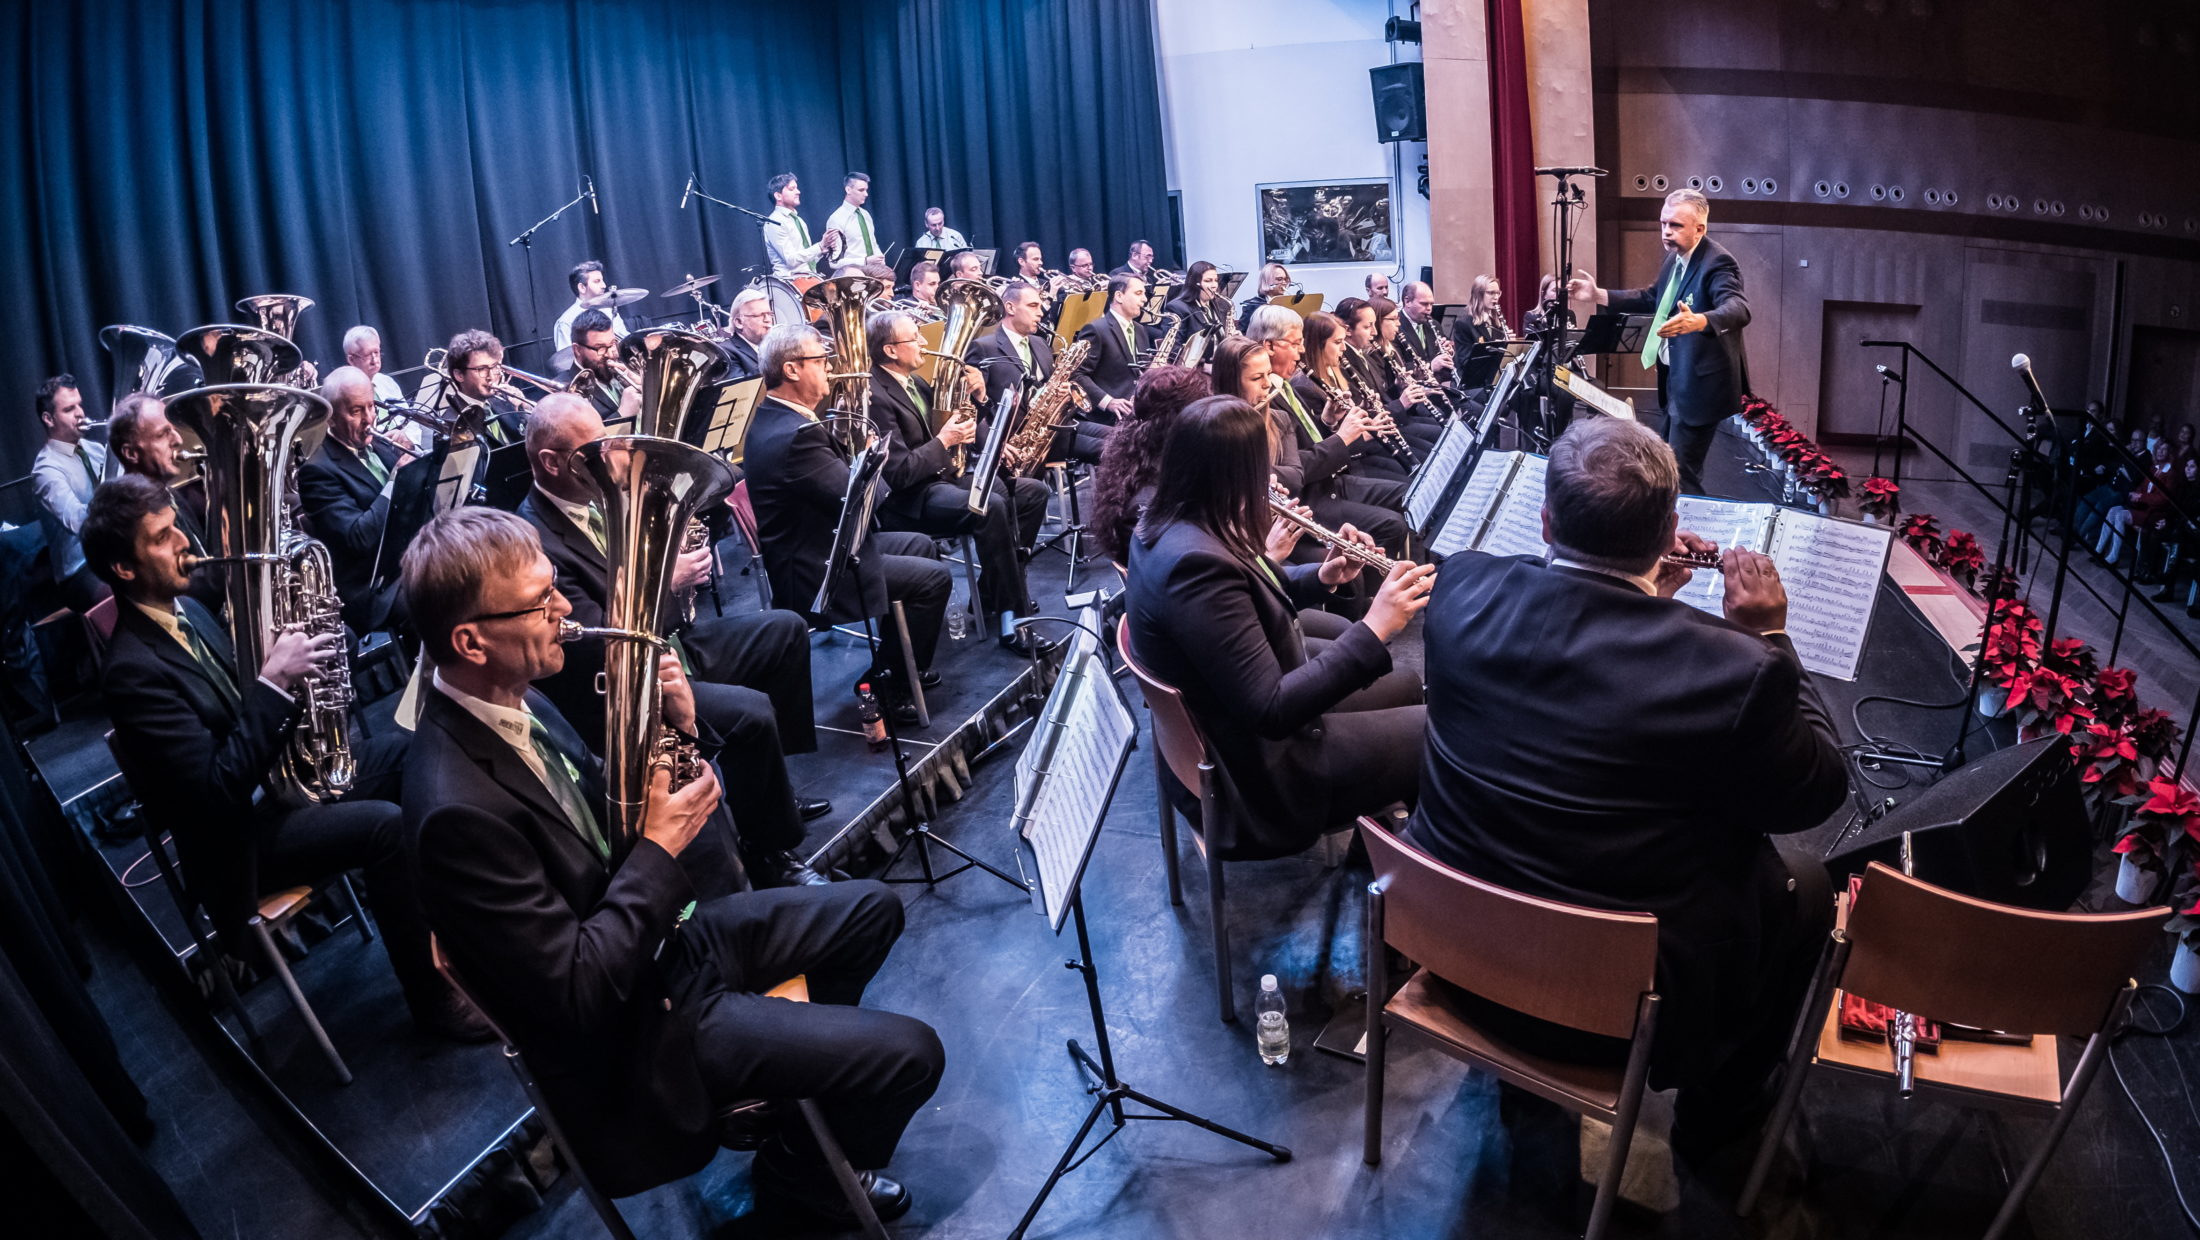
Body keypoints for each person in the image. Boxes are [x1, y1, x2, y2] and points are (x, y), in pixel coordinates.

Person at [398, 506, 941, 1221]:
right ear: (471, 641)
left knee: (873, 910)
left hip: (667, 952)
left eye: (556, 587)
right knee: (913, 1053)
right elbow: (575, 993)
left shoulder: (515, 699)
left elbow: (602, 825)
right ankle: (802, 1180)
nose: (565, 610)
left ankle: (801, 1113)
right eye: (540, 602)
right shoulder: (452, 812)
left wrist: (680, 727)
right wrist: (658, 848)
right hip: (640, 1036)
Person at [1405, 416, 1843, 1152]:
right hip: (1614, 1013)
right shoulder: (1737, 670)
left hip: (1456, 952)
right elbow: (1815, 790)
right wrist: (1770, 637)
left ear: (1545, 521)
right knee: (1805, 884)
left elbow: (1571, 680)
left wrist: (1647, 606)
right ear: (1672, 527)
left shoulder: (1461, 587)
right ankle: (1718, 1119)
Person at [85, 474, 471, 1039]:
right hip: (239, 846)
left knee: (414, 755)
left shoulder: (188, 615)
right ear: (124, 567)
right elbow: (216, 796)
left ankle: (460, 936)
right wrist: (272, 683)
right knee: (385, 829)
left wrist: (297, 660)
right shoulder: (131, 673)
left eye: (176, 528)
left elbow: (241, 716)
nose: (184, 543)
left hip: (278, 792)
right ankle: (435, 1007)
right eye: (163, 537)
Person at [515, 393, 829, 886]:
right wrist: (668, 579)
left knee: (785, 630)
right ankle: (771, 854)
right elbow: (600, 637)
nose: (607, 456)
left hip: (669, 647)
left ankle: (769, 793)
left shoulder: (596, 496)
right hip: (623, 683)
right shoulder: (535, 538)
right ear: (551, 462)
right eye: (590, 449)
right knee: (752, 713)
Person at [1125, 395, 1432, 854]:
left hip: (1240, 733)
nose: (1268, 480)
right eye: (1261, 470)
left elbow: (1246, 593)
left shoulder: (1172, 523)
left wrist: (1323, 576)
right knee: (1438, 732)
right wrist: (1375, 626)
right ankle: (1405, 881)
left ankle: (1379, 851)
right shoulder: (1194, 565)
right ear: (1233, 475)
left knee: (1406, 682)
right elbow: (1272, 709)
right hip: (1261, 780)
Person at [742, 324, 951, 720]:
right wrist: (873, 462)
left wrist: (854, 451)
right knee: (933, 579)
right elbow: (862, 500)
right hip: (816, 568)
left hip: (827, 541)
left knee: (921, 546)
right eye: (820, 361)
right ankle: (886, 686)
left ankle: (901, 663)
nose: (830, 370)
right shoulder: (795, 433)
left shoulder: (781, 418)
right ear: (791, 370)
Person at [866, 310, 1049, 644]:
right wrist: (943, 442)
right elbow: (899, 473)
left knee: (1031, 493)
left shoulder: (915, 382)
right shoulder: (875, 396)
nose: (924, 342)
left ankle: (994, 593)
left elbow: (956, 425)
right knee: (989, 505)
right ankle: (1014, 617)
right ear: (890, 350)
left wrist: (977, 399)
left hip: (941, 481)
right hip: (909, 500)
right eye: (915, 337)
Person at [1570, 188, 1752, 493]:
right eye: (1664, 224)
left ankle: (1688, 533)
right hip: (1675, 382)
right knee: (1667, 467)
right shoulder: (1675, 259)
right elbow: (1652, 298)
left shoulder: (1719, 263)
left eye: (1676, 225)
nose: (1667, 232)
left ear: (1700, 229)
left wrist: (1701, 320)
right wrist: (1598, 295)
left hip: (1700, 387)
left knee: (1681, 475)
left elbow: (1739, 308)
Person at [1240, 307, 1409, 549]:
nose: (1302, 351)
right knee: (1391, 525)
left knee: (1408, 494)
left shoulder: (1285, 386)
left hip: (1330, 482)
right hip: (1309, 498)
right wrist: (1342, 438)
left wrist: (1328, 421)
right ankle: (1383, 585)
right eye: (1296, 343)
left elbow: (1308, 442)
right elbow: (1294, 469)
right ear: (1269, 346)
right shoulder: (1264, 398)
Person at [299, 367, 415, 632]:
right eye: (356, 411)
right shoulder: (317, 471)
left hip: (407, 563)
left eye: (371, 407)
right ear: (330, 417)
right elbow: (359, 537)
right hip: (373, 590)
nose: (369, 419)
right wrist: (398, 480)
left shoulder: (381, 445)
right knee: (449, 591)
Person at [107, 392, 225, 616]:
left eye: (174, 429)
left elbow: (205, 559)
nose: (178, 440)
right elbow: (196, 592)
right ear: (131, 453)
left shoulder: (168, 494)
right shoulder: (138, 517)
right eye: (163, 434)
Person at [968, 281, 1107, 465]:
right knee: (1110, 449)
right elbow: (972, 407)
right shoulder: (983, 347)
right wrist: (993, 444)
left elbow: (1050, 386)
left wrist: (1063, 393)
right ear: (1010, 307)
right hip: (1019, 441)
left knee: (1118, 436)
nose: (1041, 313)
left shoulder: (1039, 343)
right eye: (1033, 306)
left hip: (1054, 428)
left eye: (1041, 307)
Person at [1091, 366, 1211, 563]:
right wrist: (1270, 554)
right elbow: (1187, 572)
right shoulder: (1146, 506)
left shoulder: (1144, 459)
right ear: (1180, 424)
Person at [1295, 311, 1412, 483]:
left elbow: (1347, 420)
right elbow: (1321, 442)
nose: (1344, 348)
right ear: (1317, 345)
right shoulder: (1305, 386)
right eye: (1338, 342)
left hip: (1362, 451)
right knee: (1404, 484)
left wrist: (1366, 408)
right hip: (1346, 466)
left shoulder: (1334, 370)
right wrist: (1363, 435)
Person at [31, 374, 110, 609]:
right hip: (79, 572)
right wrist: (116, 497)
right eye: (69, 409)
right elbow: (78, 521)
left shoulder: (95, 450)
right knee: (119, 588)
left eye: (79, 405)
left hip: (111, 552)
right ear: (49, 418)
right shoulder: (46, 470)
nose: (80, 414)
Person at [763, 173, 844, 327]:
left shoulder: (798, 220)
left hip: (807, 278)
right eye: (792, 188)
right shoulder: (775, 222)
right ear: (778, 195)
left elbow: (808, 260)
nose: (798, 191)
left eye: (797, 188)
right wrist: (819, 246)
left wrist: (824, 249)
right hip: (790, 283)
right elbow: (791, 260)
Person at [1071, 275, 1152, 422]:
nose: (1145, 299)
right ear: (1119, 296)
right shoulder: (1096, 329)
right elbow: (1077, 375)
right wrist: (1108, 402)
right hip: (1109, 418)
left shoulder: (1140, 329)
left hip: (1138, 412)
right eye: (1138, 293)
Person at [438, 329, 527, 447]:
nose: (491, 376)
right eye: (481, 369)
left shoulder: (502, 401)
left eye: (495, 367)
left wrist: (522, 411)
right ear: (459, 375)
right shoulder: (450, 424)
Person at [564, 309, 642, 424]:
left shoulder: (621, 371)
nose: (610, 354)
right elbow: (586, 441)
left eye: (612, 344)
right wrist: (622, 415)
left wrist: (643, 385)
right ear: (578, 350)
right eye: (600, 348)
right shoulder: (565, 393)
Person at [553, 260, 632, 355]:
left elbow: (626, 340)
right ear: (582, 287)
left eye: (602, 280)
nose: (604, 285)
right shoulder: (566, 321)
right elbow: (565, 360)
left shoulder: (609, 311)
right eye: (597, 281)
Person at [825, 172, 884, 271]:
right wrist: (864, 261)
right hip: (853, 276)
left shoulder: (865, 215)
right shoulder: (836, 219)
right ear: (848, 190)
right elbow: (834, 262)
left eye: (866, 190)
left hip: (874, 272)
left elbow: (873, 243)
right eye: (861, 190)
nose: (866, 194)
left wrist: (880, 257)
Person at [721, 288, 774, 384]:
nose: (768, 320)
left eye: (769, 314)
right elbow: (741, 390)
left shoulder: (771, 346)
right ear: (739, 322)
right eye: (760, 315)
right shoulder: (726, 352)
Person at [1449, 273, 1511, 356]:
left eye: (1498, 293)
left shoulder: (1497, 322)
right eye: (1491, 293)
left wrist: (1509, 345)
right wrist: (1495, 347)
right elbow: (1465, 360)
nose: (1496, 297)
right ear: (1479, 294)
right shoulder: (1463, 324)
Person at [1237, 262, 1292, 330]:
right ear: (1267, 281)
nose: (1284, 283)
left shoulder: (1289, 303)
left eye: (1286, 279)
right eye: (1279, 279)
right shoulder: (1252, 306)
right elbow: (1243, 332)